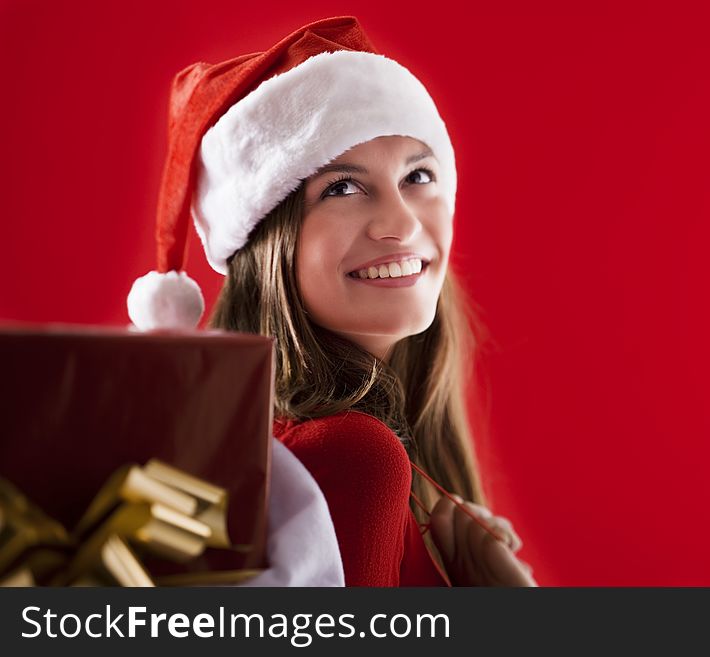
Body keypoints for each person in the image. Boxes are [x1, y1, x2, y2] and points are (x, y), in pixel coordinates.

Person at [127, 15, 536, 587]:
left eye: (419, 175)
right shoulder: (351, 455)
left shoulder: (291, 442)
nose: (400, 222)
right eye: (342, 187)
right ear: (269, 243)